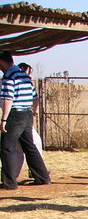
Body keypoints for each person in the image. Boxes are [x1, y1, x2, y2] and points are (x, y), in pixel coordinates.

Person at [0, 50, 50, 190]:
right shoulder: (24, 75)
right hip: (27, 113)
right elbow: (35, 97)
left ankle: (9, 183)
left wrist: (4, 119)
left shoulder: (9, 76)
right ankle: (43, 177)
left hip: (15, 114)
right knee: (30, 146)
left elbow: (8, 99)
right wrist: (33, 112)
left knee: (7, 147)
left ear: (2, 62)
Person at [16, 63, 43, 179]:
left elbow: (36, 98)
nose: (30, 76)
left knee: (21, 147)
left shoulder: (22, 82)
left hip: (22, 116)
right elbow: (35, 98)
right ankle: (35, 171)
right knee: (33, 143)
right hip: (18, 116)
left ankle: (12, 174)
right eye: (29, 73)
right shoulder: (21, 82)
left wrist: (34, 112)